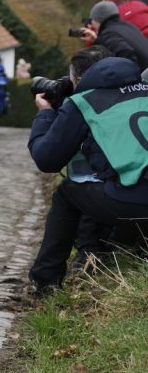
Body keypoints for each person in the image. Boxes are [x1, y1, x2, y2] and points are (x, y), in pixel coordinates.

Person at [26, 47, 148, 295]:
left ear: (78, 80)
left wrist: (46, 114)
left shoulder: (83, 102)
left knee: (68, 193)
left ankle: (46, 281)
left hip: (137, 204)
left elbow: (47, 159)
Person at [84, 1, 148, 70]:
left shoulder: (109, 34)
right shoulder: (127, 26)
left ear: (97, 19)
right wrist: (97, 40)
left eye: (92, 20)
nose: (92, 24)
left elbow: (126, 54)